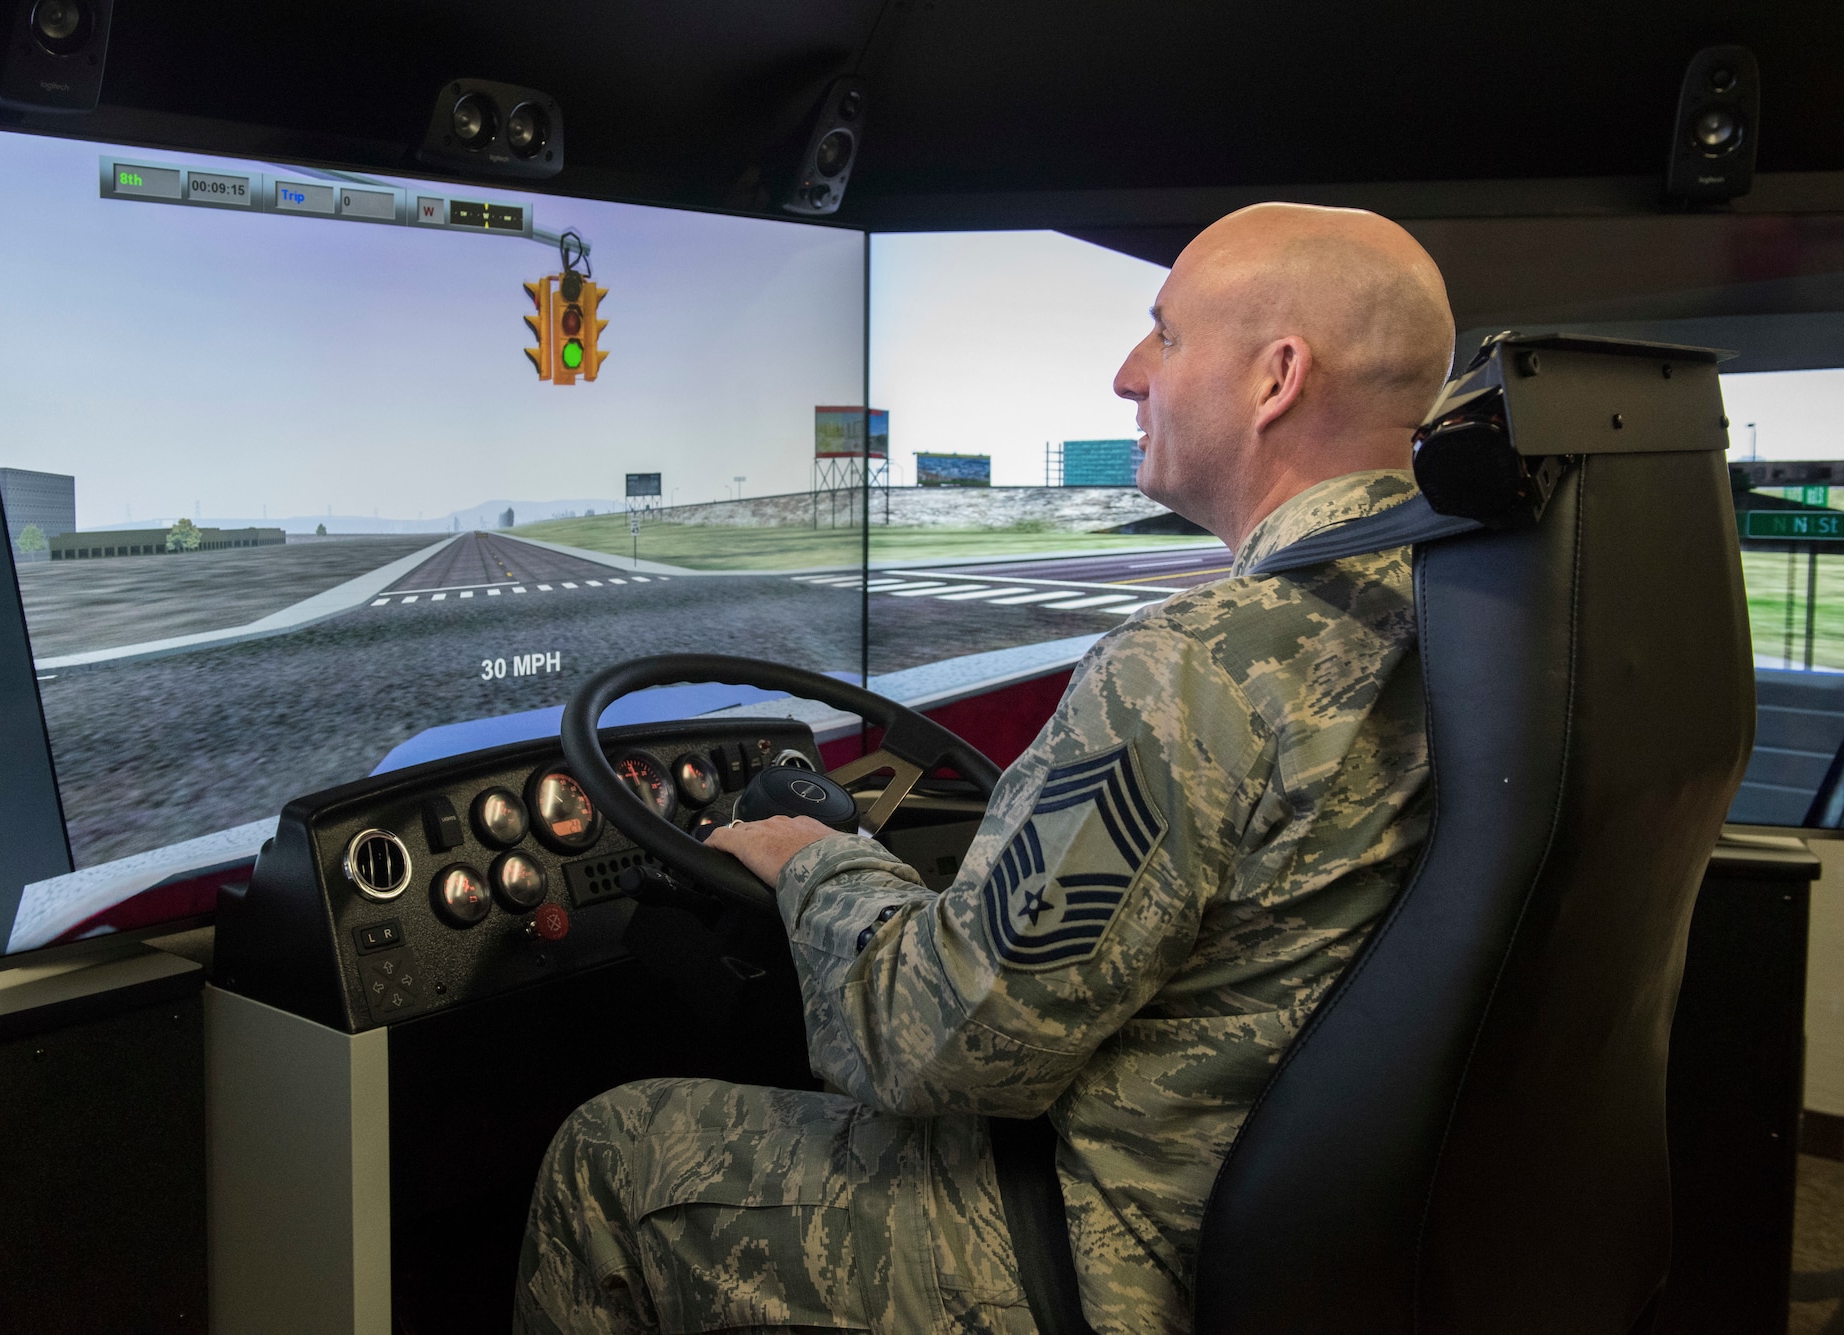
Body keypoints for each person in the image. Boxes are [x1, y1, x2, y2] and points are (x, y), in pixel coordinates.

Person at [514, 201, 1458, 1334]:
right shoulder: (1467, 615)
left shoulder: (1193, 667)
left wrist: (814, 859)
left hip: (1114, 1256)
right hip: (1340, 1239)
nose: (1125, 375)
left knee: (608, 1155)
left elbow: (939, 1046)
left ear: (1276, 378)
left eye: (1161, 335)